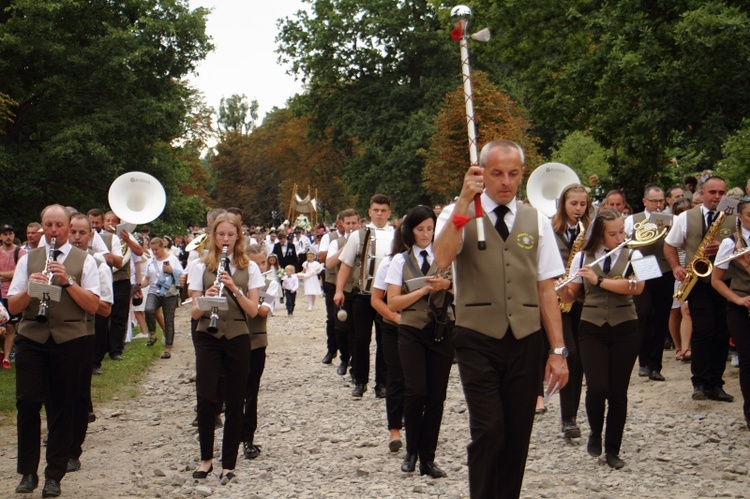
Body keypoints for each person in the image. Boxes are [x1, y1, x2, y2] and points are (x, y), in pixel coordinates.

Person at [433, 140, 568, 499]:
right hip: (477, 336)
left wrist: (557, 350)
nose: (505, 182)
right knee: (489, 429)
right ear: (481, 173)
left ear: (521, 174)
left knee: (517, 432)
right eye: (496, 173)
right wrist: (463, 202)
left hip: (525, 338)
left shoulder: (535, 220)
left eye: (513, 173)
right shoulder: (458, 213)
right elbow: (442, 259)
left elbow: (546, 288)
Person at [8, 204, 100, 498]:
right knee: (28, 402)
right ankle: (27, 472)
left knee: (62, 407)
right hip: (32, 337)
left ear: (67, 226)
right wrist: (29, 289)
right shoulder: (28, 258)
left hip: (69, 339)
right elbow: (13, 307)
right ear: (42, 227)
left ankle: (54, 475)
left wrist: (67, 280)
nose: (54, 231)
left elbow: (93, 305)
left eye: (59, 225)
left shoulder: (85, 261)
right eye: (48, 225)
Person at [557, 209, 645, 469]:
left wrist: (598, 279)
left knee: (618, 392)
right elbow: (572, 295)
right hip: (592, 327)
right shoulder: (583, 257)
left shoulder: (634, 254)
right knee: (597, 387)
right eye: (613, 233)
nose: (620, 237)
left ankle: (613, 449)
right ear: (599, 235)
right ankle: (595, 432)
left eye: (622, 232)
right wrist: (562, 287)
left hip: (625, 327)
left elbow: (637, 287)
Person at [188, 212, 263, 484]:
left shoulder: (249, 267)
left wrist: (235, 289)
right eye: (221, 234)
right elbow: (194, 313)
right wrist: (204, 299)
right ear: (214, 236)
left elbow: (253, 311)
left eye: (231, 234)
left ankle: (228, 463)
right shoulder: (200, 266)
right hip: (207, 334)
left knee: (235, 399)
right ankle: (205, 458)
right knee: (207, 398)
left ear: (238, 236)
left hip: (238, 336)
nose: (226, 239)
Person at [386, 206, 454, 478]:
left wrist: (447, 286)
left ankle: (428, 457)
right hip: (411, 331)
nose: (426, 234)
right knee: (415, 391)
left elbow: (464, 287)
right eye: (420, 230)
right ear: (410, 232)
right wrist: (424, 289)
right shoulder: (400, 261)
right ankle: (411, 451)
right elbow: (393, 302)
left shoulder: (446, 257)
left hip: (441, 331)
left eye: (430, 229)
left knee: (437, 397)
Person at [664, 176, 736, 402]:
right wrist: (676, 267)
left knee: (722, 332)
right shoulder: (686, 217)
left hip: (726, 281)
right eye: (712, 192)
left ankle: (716, 383)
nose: (717, 197)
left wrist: (726, 248)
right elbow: (669, 244)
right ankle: (699, 382)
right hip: (698, 281)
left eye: (721, 193)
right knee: (704, 331)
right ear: (702, 194)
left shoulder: (735, 219)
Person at [333, 194, 394, 398]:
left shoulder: (396, 235)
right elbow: (346, 264)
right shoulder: (358, 235)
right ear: (369, 211)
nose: (379, 214)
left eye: (383, 210)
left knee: (385, 339)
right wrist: (339, 290)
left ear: (389, 212)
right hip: (363, 294)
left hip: (387, 295)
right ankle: (360, 381)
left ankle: (382, 384)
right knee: (360, 339)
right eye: (376, 210)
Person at [66, 214, 113, 473]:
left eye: (82, 233)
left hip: (83, 332)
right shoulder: (49, 260)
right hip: (52, 333)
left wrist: (77, 291)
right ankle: (58, 433)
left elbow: (105, 308)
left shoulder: (97, 263)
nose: (76, 237)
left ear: (90, 236)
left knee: (79, 392)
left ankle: (74, 448)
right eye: (72, 231)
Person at [551, 184, 591, 438]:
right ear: (563, 204)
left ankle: (572, 415)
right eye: (573, 204)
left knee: (582, 359)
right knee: (571, 354)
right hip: (557, 299)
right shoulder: (550, 229)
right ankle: (568, 418)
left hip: (583, 299)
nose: (578, 209)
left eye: (582, 205)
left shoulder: (591, 231)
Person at [625, 185, 674, 382]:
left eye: (661, 200)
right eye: (654, 201)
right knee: (644, 313)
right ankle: (643, 360)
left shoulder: (670, 219)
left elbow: (678, 242)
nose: (658, 204)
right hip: (642, 268)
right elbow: (625, 244)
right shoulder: (632, 220)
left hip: (664, 270)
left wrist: (670, 231)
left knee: (661, 317)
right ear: (645, 202)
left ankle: (656, 365)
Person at [711, 198, 750, 429]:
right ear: (740, 217)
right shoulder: (730, 243)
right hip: (741, 304)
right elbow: (716, 280)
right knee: (747, 359)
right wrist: (737, 299)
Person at [370, 218, 407, 454]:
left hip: (423, 327)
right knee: (396, 377)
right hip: (394, 327)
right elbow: (376, 300)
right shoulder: (389, 263)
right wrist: (395, 318)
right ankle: (395, 430)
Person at [242, 245, 280, 459]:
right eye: (254, 264)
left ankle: (248, 438)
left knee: (251, 391)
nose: (259, 267)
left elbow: (261, 311)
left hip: (256, 342)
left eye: (262, 263)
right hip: (233, 340)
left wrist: (244, 294)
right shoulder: (236, 280)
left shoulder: (269, 283)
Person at [318, 210, 357, 365]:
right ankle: (332, 350)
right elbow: (324, 259)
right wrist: (346, 247)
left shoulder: (363, 238)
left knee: (354, 324)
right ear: (341, 223)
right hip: (333, 283)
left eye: (354, 223)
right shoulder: (331, 238)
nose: (350, 226)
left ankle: (353, 357)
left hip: (354, 286)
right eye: (347, 223)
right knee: (334, 320)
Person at [141, 237, 183, 359]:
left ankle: (168, 348)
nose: (154, 252)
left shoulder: (172, 259)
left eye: (156, 249)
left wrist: (171, 271)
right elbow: (147, 279)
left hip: (170, 292)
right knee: (148, 309)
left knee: (168, 320)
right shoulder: (151, 261)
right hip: (154, 290)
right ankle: (152, 334)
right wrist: (139, 286)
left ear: (162, 247)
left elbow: (182, 275)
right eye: (152, 250)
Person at [1, 223, 25, 369]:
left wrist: (3, 275)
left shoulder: (20, 253)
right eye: (5, 234)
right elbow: (13, 273)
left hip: (13, 294)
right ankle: (5, 352)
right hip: (0, 294)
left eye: (10, 233)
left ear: (14, 235)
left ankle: (6, 358)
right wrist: (9, 275)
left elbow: (18, 273)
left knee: (10, 327)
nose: (8, 236)